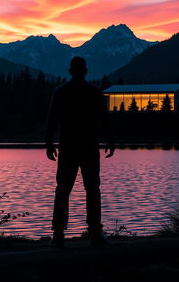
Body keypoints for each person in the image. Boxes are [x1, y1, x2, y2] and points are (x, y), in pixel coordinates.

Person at [45, 56, 115, 247]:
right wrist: (110, 140)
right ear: (85, 71)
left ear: (70, 71)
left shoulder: (60, 92)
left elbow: (51, 120)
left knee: (63, 190)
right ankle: (95, 234)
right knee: (92, 189)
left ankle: (58, 234)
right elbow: (104, 118)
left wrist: (49, 143)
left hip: (68, 146)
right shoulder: (94, 92)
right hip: (89, 146)